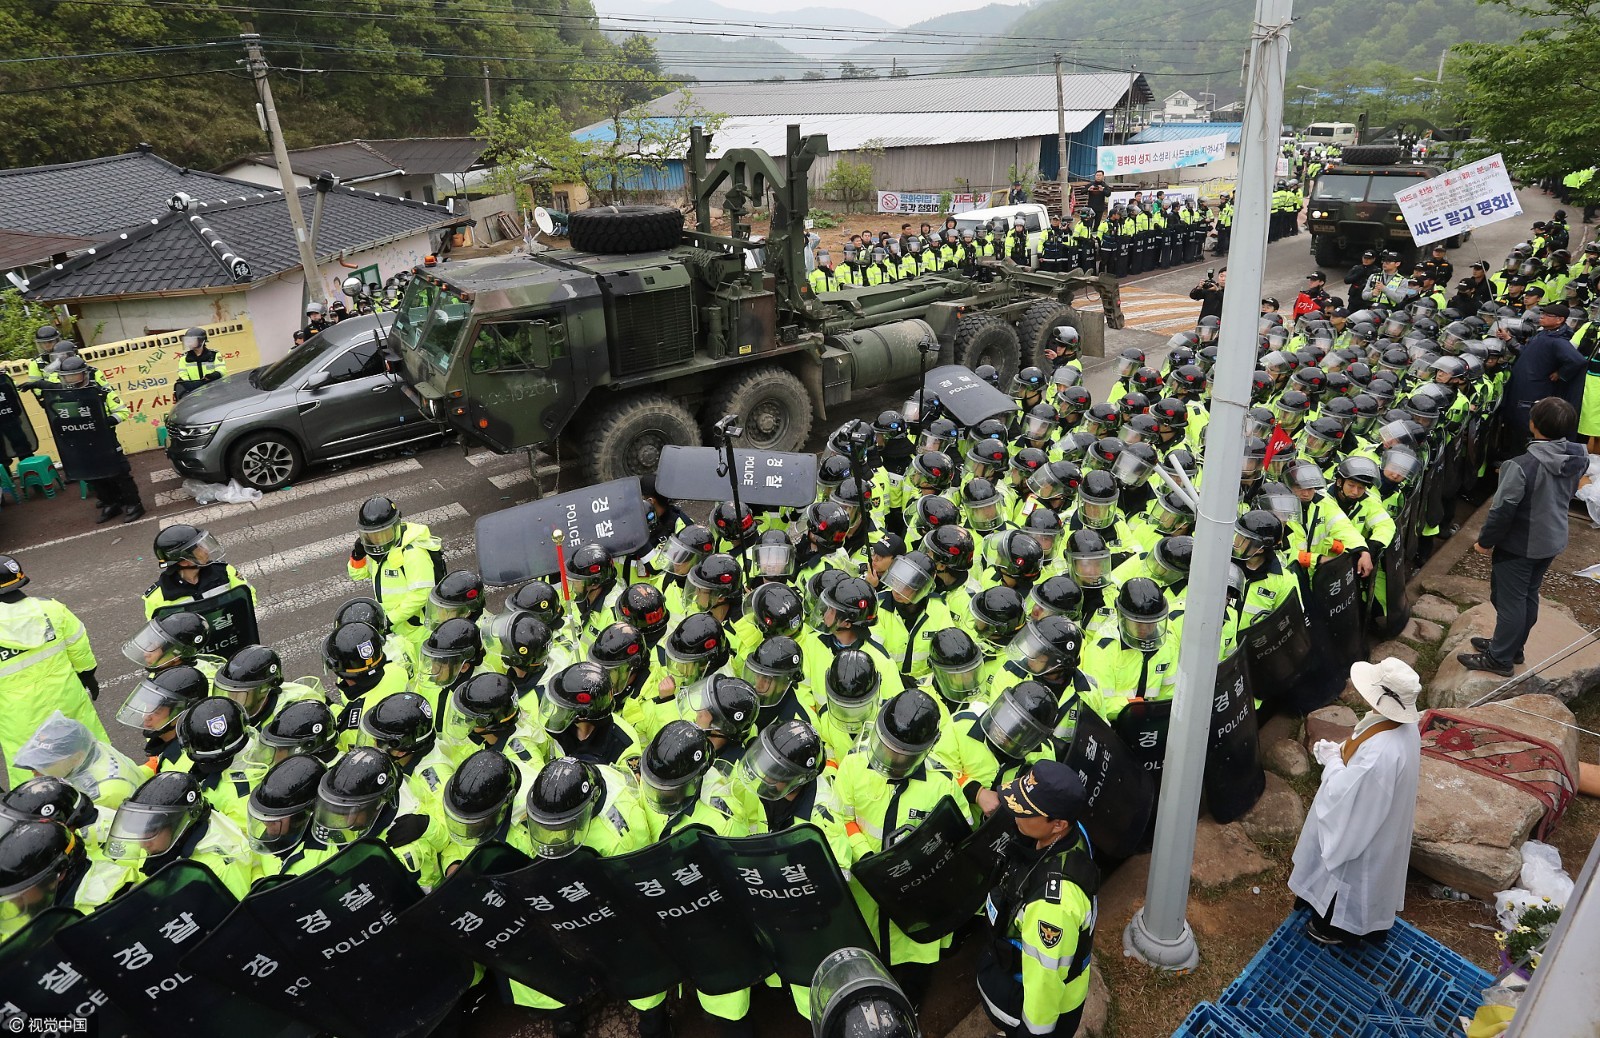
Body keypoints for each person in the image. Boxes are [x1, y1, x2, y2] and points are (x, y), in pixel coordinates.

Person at [1290, 657, 1423, 946]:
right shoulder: (1402, 729)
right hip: (1382, 821)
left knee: (1347, 873)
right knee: (1370, 873)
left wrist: (1333, 762)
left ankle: (1334, 928)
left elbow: (1346, 798)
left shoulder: (1382, 753)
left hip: (1364, 829)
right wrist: (1342, 750)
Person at [1458, 398, 1588, 676]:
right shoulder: (1577, 456)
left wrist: (1485, 541)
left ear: (1534, 424)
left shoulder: (1521, 466)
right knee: (1528, 595)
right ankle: (1511, 646)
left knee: (1509, 601)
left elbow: (1502, 512)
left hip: (1521, 543)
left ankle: (1500, 659)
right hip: (1552, 538)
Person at [977, 761, 1097, 1038]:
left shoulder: (1051, 907)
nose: (1014, 812)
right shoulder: (1075, 835)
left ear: (1058, 825)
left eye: (1026, 811)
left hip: (1036, 1007)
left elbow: (1044, 985)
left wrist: (1031, 1034)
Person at [0, 555, 109, 787]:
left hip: (19, 717)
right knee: (91, 756)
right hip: (68, 701)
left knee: (33, 776)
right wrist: (88, 675)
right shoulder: (51, 609)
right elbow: (79, 645)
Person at [1500, 305, 1586, 453]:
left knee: (1525, 430)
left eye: (1547, 315)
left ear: (1560, 320)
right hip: (1522, 389)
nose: (1542, 317)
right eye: (1542, 313)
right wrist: (1509, 339)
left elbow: (1578, 361)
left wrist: (1561, 373)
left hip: (1532, 394)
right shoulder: (1544, 334)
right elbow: (1525, 352)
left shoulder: (1558, 341)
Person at [173, 326, 227, 401]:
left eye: (192, 340)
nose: (189, 343)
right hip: (195, 395)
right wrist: (190, 384)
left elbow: (222, 370)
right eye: (187, 340)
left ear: (202, 341)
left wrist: (212, 376)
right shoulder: (184, 358)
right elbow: (183, 374)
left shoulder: (214, 355)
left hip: (215, 391)